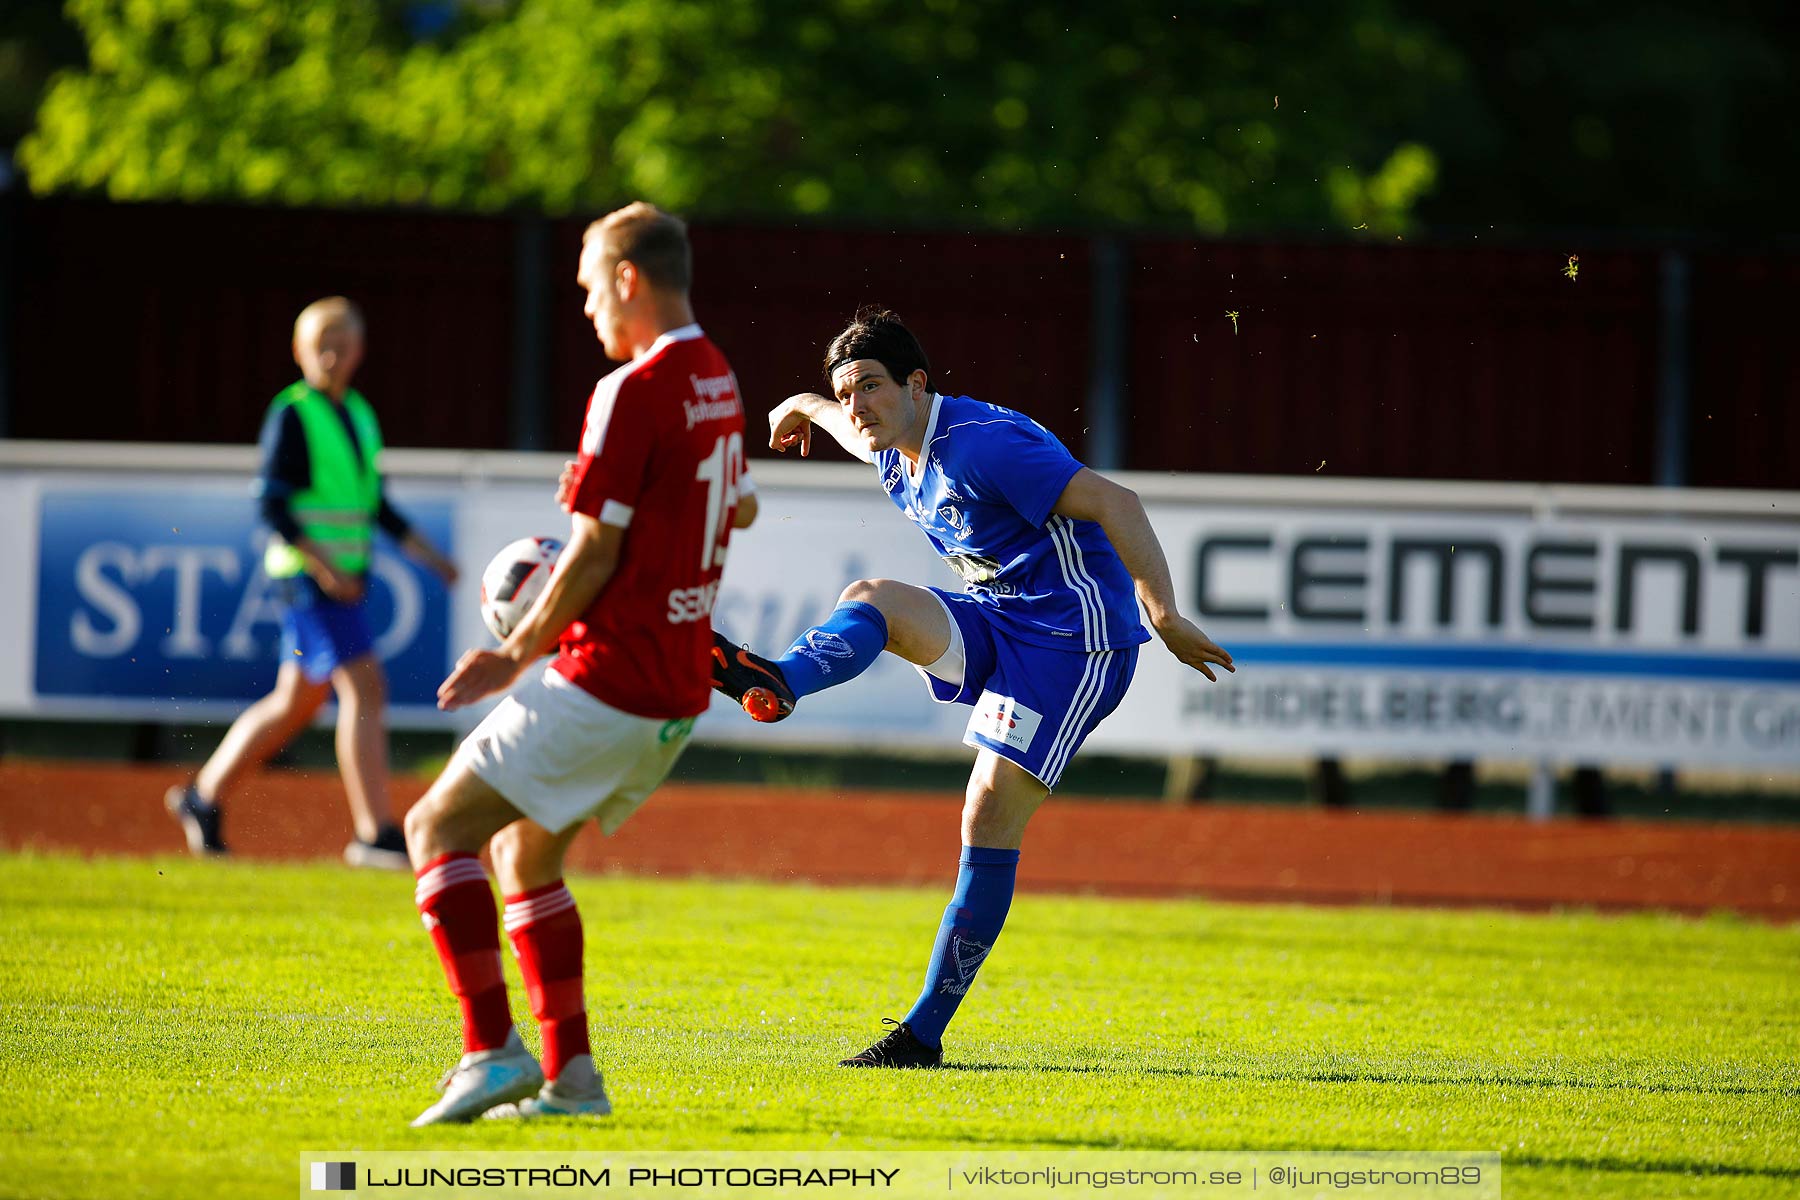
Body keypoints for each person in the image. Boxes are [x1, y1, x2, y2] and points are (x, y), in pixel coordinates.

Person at [711, 308, 1233, 1068]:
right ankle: (778, 681)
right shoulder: (889, 436)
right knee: (876, 597)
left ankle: (920, 1037)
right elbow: (849, 427)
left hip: (1072, 646)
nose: (858, 407)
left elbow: (1117, 503)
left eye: (872, 388)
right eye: (847, 391)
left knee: (986, 814)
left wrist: (1166, 615)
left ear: (918, 385)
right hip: (1000, 620)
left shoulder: (984, 447)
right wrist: (803, 406)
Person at [403, 202, 756, 1125]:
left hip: (612, 672)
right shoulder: (717, 376)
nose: (589, 306)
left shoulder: (630, 391)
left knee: (435, 829)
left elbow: (593, 552)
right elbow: (742, 508)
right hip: (673, 687)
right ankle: (573, 1081)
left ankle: (490, 1051)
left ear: (630, 279)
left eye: (593, 286)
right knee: (524, 854)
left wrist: (515, 653)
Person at [164, 297, 457, 870]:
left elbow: (374, 506)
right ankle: (374, 833)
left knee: (296, 701)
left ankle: (203, 796)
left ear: (359, 351)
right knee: (365, 689)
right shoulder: (293, 413)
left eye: (343, 342)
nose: (332, 353)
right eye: (322, 342)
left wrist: (430, 556)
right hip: (309, 581)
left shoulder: (359, 415)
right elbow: (272, 507)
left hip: (336, 581)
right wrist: (326, 567)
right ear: (299, 350)